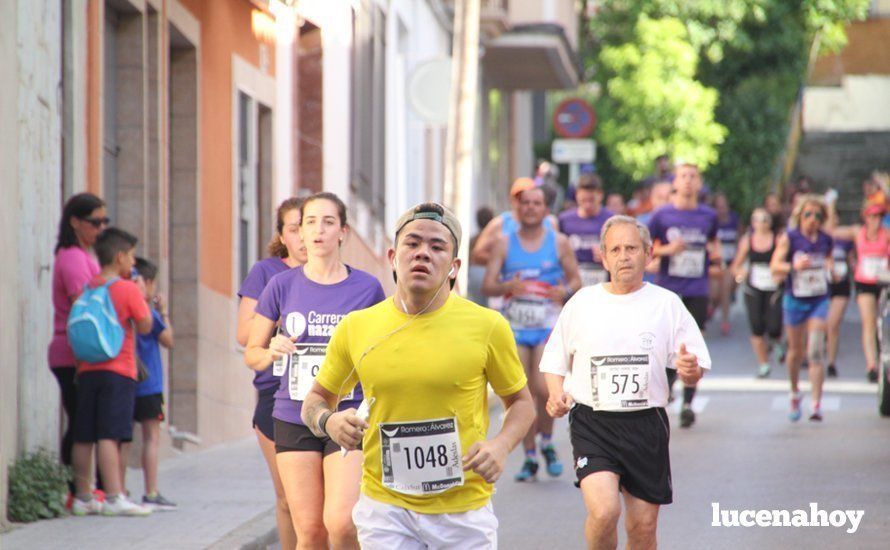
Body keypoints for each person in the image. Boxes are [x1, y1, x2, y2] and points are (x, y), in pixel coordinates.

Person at [301, 202, 536, 549]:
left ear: (454, 267)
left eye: (437, 246)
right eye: (412, 244)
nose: (423, 253)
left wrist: (501, 446)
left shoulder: (487, 326)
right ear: (394, 255)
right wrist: (328, 422)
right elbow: (314, 401)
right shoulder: (357, 327)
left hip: (464, 511)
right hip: (385, 508)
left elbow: (522, 404)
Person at [540, 215, 710, 549]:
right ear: (603, 257)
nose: (624, 256)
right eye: (615, 249)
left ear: (648, 254)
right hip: (593, 422)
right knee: (604, 512)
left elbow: (694, 363)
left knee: (643, 527)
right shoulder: (582, 303)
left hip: (646, 424)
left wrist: (690, 370)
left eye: (631, 248)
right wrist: (555, 394)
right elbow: (555, 359)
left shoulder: (667, 304)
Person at [245, 192, 385, 549]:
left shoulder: (367, 288)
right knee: (309, 530)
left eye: (328, 222)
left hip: (348, 416)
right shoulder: (281, 285)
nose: (319, 230)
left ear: (343, 232)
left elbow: (384, 352)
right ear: (299, 234)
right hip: (293, 415)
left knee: (341, 524)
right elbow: (252, 353)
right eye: (310, 222)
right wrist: (272, 350)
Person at [482, 185, 581, 481]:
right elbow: (487, 285)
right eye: (525, 203)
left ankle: (547, 443)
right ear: (517, 208)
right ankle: (528, 456)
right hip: (515, 326)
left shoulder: (559, 242)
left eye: (536, 203)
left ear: (545, 209)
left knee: (542, 388)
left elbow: (576, 279)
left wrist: (563, 290)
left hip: (546, 324)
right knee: (520, 392)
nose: (530, 208)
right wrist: (506, 287)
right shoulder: (503, 243)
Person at [236, 197, 306, 550]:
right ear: (282, 235)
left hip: (325, 396)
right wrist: (280, 316)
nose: (305, 237)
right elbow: (243, 334)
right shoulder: (266, 273)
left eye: (310, 225)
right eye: (294, 229)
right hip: (275, 392)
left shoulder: (340, 278)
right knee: (286, 497)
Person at [71, 228, 153, 516]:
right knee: (109, 434)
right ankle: (114, 496)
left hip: (87, 369)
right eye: (130, 257)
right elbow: (145, 326)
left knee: (83, 434)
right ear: (119, 257)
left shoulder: (90, 286)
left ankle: (82, 497)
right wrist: (143, 297)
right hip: (118, 369)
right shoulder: (126, 288)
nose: (133, 263)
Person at [647, 161, 722, 428]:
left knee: (693, 345)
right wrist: (669, 250)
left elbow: (714, 244)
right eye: (683, 176)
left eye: (693, 176)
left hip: (697, 289)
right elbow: (645, 249)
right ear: (675, 183)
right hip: (668, 289)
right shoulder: (661, 215)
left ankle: (688, 403)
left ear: (699, 183)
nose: (688, 181)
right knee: (666, 344)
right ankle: (664, 391)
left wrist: (716, 255)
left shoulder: (708, 215)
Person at [50, 193, 107, 496]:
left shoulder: (85, 255)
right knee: (81, 421)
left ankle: (85, 487)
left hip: (83, 353)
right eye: (94, 222)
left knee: (86, 420)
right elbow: (81, 308)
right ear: (75, 221)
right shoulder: (72, 257)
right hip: (72, 353)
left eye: (104, 222)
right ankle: (76, 487)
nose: (100, 229)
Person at [770, 195, 835, 421]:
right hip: (795, 299)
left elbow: (830, 263)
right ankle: (795, 392)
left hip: (819, 299)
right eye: (808, 214)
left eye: (818, 215)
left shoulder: (826, 239)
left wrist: (832, 269)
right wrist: (793, 265)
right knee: (795, 352)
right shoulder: (790, 238)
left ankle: (816, 404)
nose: (813, 219)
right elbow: (774, 266)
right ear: (800, 216)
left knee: (816, 350)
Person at [127, 257, 176, 510]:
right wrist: (164, 311)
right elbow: (169, 339)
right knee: (151, 439)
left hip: (127, 379)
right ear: (146, 283)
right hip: (150, 384)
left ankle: (119, 491)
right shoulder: (147, 311)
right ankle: (151, 491)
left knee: (123, 438)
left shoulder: (124, 306)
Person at [830, 204, 890, 382]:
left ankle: (884, 351)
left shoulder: (886, 234)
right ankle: (871, 364)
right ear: (865, 218)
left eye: (879, 217)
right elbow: (832, 231)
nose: (875, 221)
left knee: (884, 319)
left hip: (884, 282)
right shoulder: (858, 232)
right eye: (872, 217)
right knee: (868, 321)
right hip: (864, 282)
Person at [730, 208, 784, 378]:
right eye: (757, 219)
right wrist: (740, 274)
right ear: (752, 223)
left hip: (774, 287)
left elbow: (785, 260)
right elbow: (736, 265)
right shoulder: (748, 240)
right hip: (753, 287)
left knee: (774, 325)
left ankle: (776, 341)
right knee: (756, 326)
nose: (761, 223)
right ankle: (763, 364)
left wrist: (780, 274)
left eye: (765, 219)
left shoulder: (778, 239)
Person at [470, 178, 556, 266]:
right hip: (511, 278)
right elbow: (477, 255)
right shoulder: (499, 223)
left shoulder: (550, 223)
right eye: (519, 199)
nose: (529, 206)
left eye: (534, 202)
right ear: (511, 200)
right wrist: (507, 261)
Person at [558, 173, 612, 287]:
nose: (587, 204)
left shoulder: (611, 220)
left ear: (600, 195)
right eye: (584, 199)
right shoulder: (564, 219)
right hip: (573, 281)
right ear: (577, 195)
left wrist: (607, 255)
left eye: (591, 199)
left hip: (604, 280)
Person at [712, 192, 742, 335]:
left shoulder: (734, 219)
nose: (721, 210)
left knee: (727, 287)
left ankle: (724, 318)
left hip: (731, 262)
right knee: (718, 291)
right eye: (718, 207)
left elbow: (740, 240)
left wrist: (738, 260)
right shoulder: (712, 222)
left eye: (723, 206)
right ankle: (717, 310)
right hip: (717, 263)